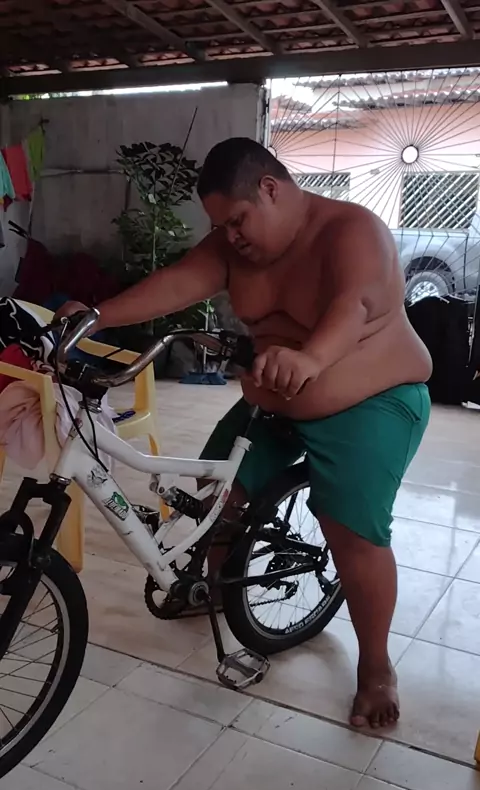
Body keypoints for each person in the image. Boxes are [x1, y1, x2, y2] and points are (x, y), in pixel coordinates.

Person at [59, 137, 432, 729]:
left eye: (237, 220)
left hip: (373, 401)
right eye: (220, 226)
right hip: (275, 405)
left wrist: (311, 358)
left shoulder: (352, 231)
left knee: (349, 527)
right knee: (212, 501)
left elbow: (355, 306)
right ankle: (214, 588)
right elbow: (176, 283)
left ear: (270, 189)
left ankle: (377, 666)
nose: (229, 236)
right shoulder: (234, 248)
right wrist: (97, 316)